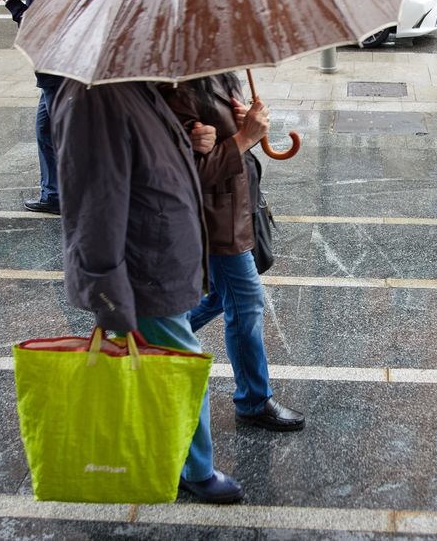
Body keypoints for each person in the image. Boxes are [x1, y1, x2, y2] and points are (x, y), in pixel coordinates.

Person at [51, 78, 244, 505]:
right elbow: (94, 207)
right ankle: (195, 469)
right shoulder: (95, 98)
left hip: (158, 260)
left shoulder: (135, 88)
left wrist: (195, 140)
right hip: (141, 270)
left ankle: (164, 456)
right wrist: (108, 294)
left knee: (163, 368)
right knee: (180, 368)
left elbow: (148, 162)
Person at [161, 74, 306, 432]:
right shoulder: (178, 88)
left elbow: (227, 143)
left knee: (225, 298)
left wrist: (245, 126)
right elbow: (189, 173)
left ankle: (154, 335)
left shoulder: (221, 75)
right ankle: (254, 400)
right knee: (246, 302)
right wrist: (244, 137)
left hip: (238, 207)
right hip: (215, 218)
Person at [0, 0, 62, 214]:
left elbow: (38, 28)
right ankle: (53, 194)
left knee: (63, 138)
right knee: (45, 131)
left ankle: (76, 196)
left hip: (58, 71)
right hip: (49, 72)